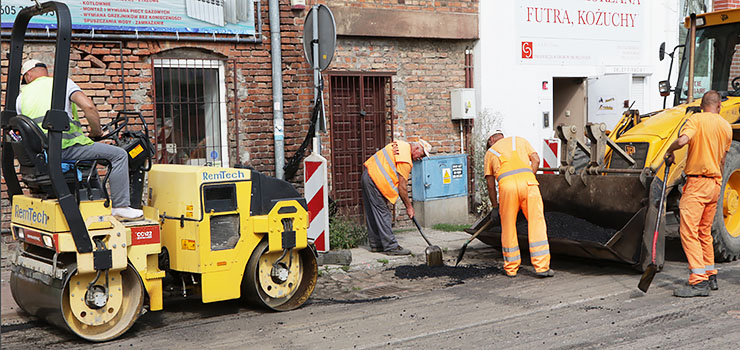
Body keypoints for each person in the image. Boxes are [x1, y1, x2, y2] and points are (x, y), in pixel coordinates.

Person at [15, 59, 143, 220]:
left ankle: (97, 202)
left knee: (91, 161)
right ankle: (121, 206)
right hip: (67, 148)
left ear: (28, 75)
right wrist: (96, 132)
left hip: (45, 153)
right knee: (119, 155)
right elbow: (89, 107)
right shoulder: (62, 84)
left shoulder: (21, 98)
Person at [665, 90, 731, 297]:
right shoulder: (726, 127)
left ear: (702, 105)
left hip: (697, 184)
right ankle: (710, 274)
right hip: (715, 185)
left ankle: (698, 281)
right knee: (704, 232)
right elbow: (722, 160)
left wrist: (670, 150)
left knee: (688, 232)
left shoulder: (696, 120)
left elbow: (683, 140)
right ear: (719, 106)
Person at [484, 130, 553, 278]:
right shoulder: (520, 140)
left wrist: (495, 207)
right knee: (537, 224)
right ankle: (542, 267)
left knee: (508, 227)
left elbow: (490, 185)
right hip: (529, 185)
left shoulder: (490, 152)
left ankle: (511, 268)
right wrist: (528, 176)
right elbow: (536, 160)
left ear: (491, 140)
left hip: (507, 188)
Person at [362, 139, 431, 255]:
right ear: (416, 149)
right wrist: (409, 207)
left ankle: (376, 244)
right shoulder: (406, 160)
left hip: (367, 175)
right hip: (376, 181)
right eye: (422, 155)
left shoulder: (400, 144)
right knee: (384, 214)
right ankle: (391, 246)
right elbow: (402, 187)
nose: (420, 158)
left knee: (373, 213)